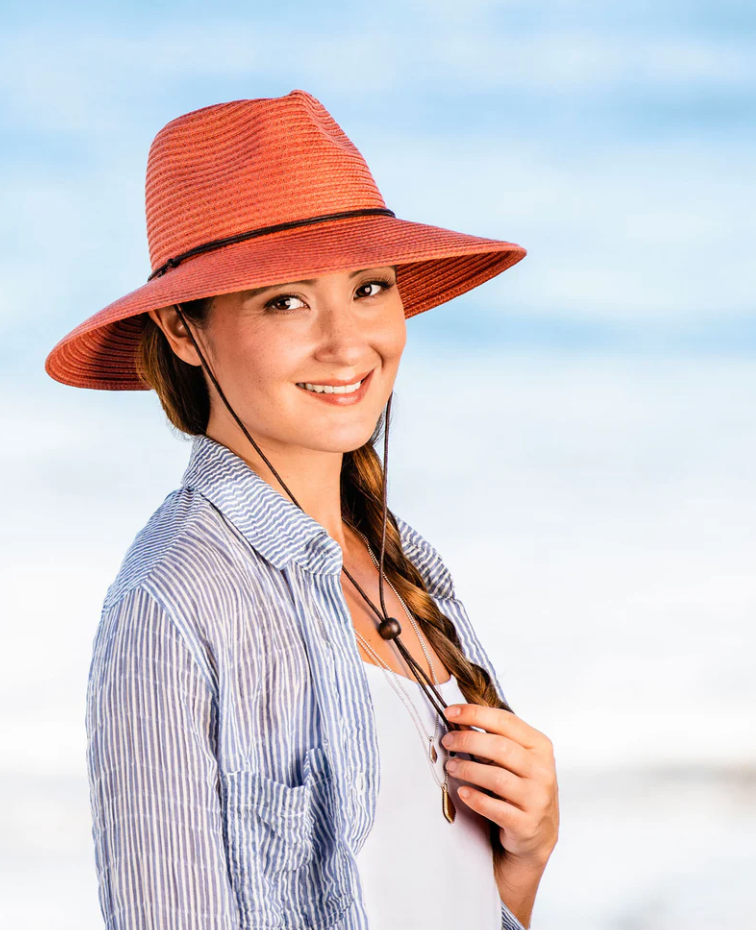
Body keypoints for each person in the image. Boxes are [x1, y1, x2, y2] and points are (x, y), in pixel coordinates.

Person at [46, 89, 559, 930]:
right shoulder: (173, 606)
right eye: (284, 301)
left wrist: (525, 862)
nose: (347, 342)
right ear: (182, 328)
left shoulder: (405, 563)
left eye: (368, 287)